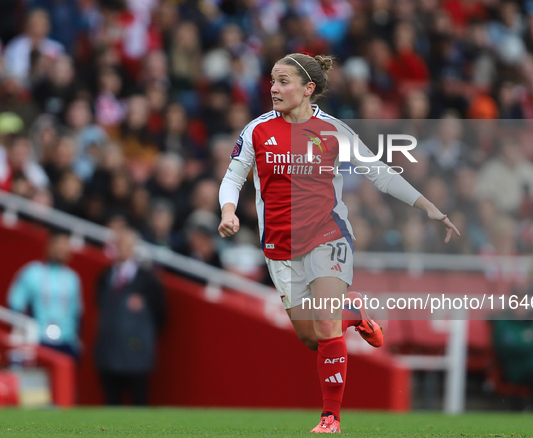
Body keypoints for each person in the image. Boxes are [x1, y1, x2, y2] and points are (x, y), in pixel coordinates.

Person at [217, 53, 460, 433]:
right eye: (272, 81)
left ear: (308, 88)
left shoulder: (334, 131)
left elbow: (379, 173)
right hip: (280, 245)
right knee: (312, 337)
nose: (274, 89)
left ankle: (330, 417)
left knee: (327, 325)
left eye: (283, 81)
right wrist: (228, 211)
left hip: (328, 235)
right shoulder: (256, 130)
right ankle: (356, 313)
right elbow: (233, 177)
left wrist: (426, 205)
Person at [94, 227, 166, 406]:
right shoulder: (105, 276)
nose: (121, 248)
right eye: (118, 244)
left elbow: (161, 314)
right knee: (111, 403)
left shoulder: (147, 280)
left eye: (125, 244)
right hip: (109, 351)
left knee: (138, 403)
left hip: (137, 353)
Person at [7, 230, 82, 359]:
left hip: (66, 341)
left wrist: (76, 340)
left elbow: (77, 313)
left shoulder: (73, 278)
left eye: (65, 246)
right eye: (58, 245)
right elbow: (15, 304)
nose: (61, 250)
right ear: (49, 246)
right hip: (38, 339)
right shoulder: (32, 272)